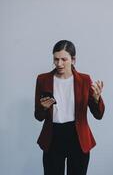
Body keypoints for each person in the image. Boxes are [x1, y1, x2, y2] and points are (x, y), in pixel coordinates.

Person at [34, 40, 105, 175]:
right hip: (53, 137)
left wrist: (96, 99)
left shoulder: (84, 80)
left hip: (78, 137)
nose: (59, 64)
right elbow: (38, 116)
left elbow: (99, 115)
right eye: (56, 59)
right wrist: (42, 108)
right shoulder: (43, 80)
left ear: (73, 60)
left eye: (64, 59)